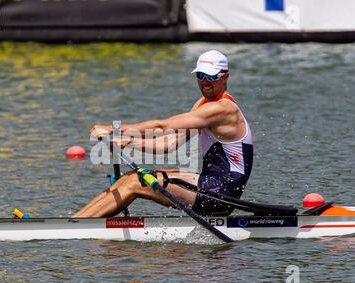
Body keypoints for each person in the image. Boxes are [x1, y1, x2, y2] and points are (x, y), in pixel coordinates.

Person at [72, 50, 253, 218]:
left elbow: (162, 126)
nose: (204, 81)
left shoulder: (224, 109)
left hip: (221, 192)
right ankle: (74, 221)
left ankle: (73, 227)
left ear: (225, 76)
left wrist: (113, 128)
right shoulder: (202, 105)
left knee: (135, 182)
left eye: (211, 76)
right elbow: (169, 143)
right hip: (211, 185)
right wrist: (129, 142)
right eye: (200, 75)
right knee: (132, 178)